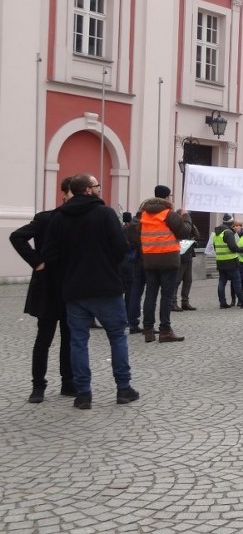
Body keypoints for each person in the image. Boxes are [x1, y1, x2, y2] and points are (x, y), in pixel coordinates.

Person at [41, 174, 138, 409]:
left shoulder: (59, 218)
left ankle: (83, 393)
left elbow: (50, 254)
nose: (98, 189)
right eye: (97, 186)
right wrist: (108, 265)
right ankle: (123, 388)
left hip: (75, 289)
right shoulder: (105, 214)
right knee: (117, 337)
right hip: (106, 286)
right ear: (87, 190)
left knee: (78, 341)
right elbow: (121, 248)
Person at [10, 176, 76, 403]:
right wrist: (36, 261)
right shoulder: (46, 218)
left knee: (69, 337)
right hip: (48, 287)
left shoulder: (79, 220)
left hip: (69, 286)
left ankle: (68, 382)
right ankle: (38, 385)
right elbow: (17, 236)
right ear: (64, 194)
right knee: (44, 338)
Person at [131, 185, 193, 343]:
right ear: (166, 198)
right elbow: (185, 232)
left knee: (150, 293)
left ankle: (148, 329)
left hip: (149, 259)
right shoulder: (168, 214)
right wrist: (185, 217)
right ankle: (165, 330)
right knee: (166, 295)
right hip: (168, 259)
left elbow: (134, 235)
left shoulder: (143, 214)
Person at [213, 214, 243, 309]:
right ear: (231, 223)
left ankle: (222, 302)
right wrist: (241, 249)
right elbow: (233, 247)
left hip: (220, 261)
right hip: (231, 261)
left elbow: (215, 247)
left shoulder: (216, 233)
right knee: (237, 282)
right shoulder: (228, 232)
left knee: (222, 282)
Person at [172, 213, 200, 312]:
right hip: (179, 256)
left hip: (188, 256)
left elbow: (197, 236)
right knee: (177, 281)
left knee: (188, 281)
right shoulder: (176, 225)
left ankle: (185, 302)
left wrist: (192, 226)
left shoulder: (190, 226)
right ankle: (173, 302)